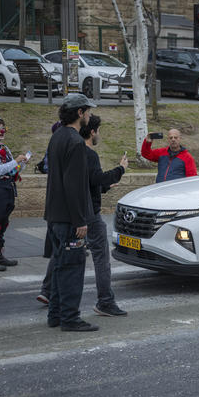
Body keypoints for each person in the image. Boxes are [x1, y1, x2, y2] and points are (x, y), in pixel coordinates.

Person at [38, 114, 128, 317]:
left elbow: (86, 182)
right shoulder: (86, 152)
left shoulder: (63, 144)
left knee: (61, 254)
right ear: (93, 132)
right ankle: (104, 301)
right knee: (100, 257)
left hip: (65, 213)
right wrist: (120, 169)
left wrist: (104, 186)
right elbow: (93, 178)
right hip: (87, 213)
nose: (99, 135)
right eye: (99, 131)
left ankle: (48, 292)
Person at [44, 93, 97, 332]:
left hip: (54, 215)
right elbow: (74, 185)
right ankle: (70, 318)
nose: (89, 116)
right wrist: (80, 220)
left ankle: (55, 315)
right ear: (79, 113)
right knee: (72, 269)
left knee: (59, 267)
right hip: (69, 218)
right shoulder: (75, 142)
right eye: (87, 111)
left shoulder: (57, 137)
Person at [0, 114, 28, 271]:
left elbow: (12, 170)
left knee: (3, 222)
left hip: (7, 189)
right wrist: (16, 161)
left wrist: (22, 164)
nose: (1, 131)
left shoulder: (4, 148)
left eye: (2, 128)